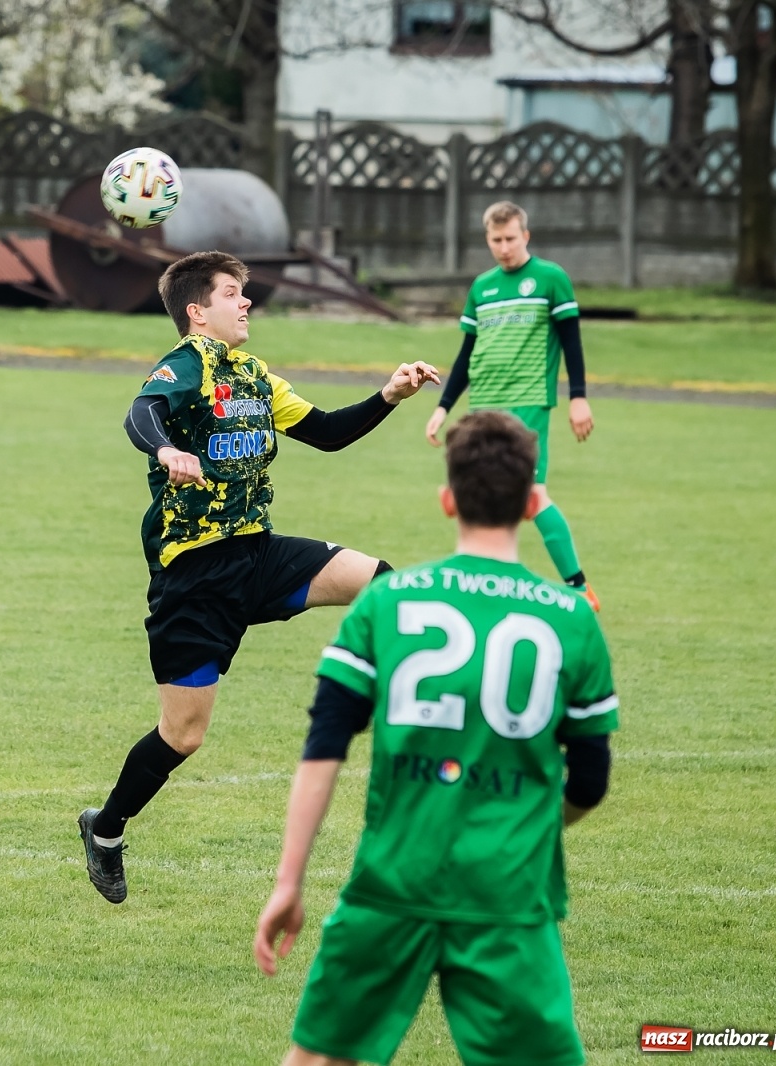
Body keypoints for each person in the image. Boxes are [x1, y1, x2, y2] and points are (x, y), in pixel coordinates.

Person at [255, 409, 618, 1066]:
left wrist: (289, 880)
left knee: (317, 1060)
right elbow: (590, 782)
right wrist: (522, 821)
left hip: (392, 883)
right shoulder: (571, 621)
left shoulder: (386, 604)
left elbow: (324, 747)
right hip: (507, 893)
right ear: (533, 502)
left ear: (447, 498)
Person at [77, 250, 440, 903]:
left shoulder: (252, 375)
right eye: (232, 293)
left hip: (259, 553)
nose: (245, 303)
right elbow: (143, 412)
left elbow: (327, 434)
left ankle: (394, 714)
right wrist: (165, 448)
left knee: (386, 584)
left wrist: (389, 395)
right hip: (195, 578)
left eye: (244, 293)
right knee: (183, 735)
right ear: (198, 310)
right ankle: (104, 830)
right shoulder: (184, 366)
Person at [426, 200, 600, 610]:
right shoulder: (481, 288)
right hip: (482, 404)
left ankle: (579, 588)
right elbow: (467, 353)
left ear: (525, 235)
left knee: (533, 493)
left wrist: (578, 398)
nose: (503, 247)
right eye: (495, 240)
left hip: (528, 403)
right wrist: (443, 407)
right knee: (477, 494)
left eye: (510, 238)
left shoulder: (550, 278)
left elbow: (572, 343)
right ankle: (485, 582)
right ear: (487, 239)